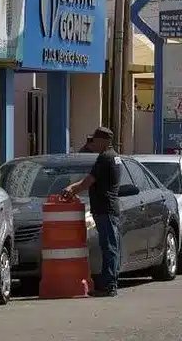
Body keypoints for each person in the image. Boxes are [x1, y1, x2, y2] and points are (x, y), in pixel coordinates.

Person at [63, 126, 121, 297]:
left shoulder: (105, 158)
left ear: (104, 141)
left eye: (95, 140)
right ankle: (110, 283)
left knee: (108, 247)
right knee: (111, 246)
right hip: (109, 208)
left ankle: (108, 286)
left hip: (105, 208)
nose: (92, 143)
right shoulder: (114, 156)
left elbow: (89, 180)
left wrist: (72, 189)